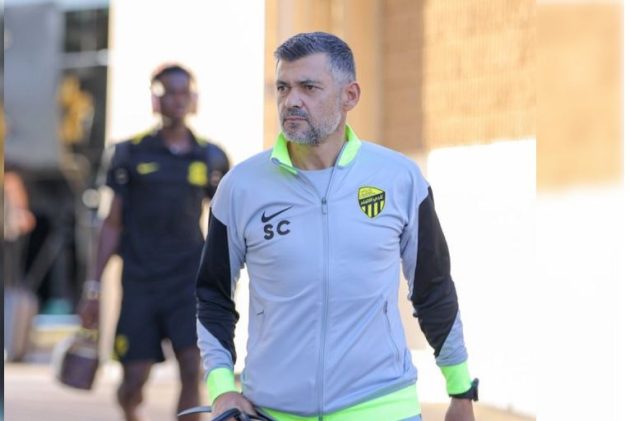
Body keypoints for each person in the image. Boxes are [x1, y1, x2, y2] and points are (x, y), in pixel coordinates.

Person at [196, 32, 477, 421]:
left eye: (308, 87)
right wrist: (222, 389)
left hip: (383, 408)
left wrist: (460, 390)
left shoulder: (399, 179)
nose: (291, 100)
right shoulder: (240, 187)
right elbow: (212, 295)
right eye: (283, 87)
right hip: (274, 412)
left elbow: (433, 287)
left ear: (350, 96)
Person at [79, 64, 230, 421]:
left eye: (184, 93)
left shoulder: (210, 156)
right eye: (168, 93)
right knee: (133, 382)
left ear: (194, 99)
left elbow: (227, 220)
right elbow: (111, 223)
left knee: (192, 368)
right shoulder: (128, 153)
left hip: (188, 282)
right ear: (154, 100)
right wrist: (93, 287)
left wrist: (225, 278)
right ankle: (131, 412)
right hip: (140, 281)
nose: (177, 100)